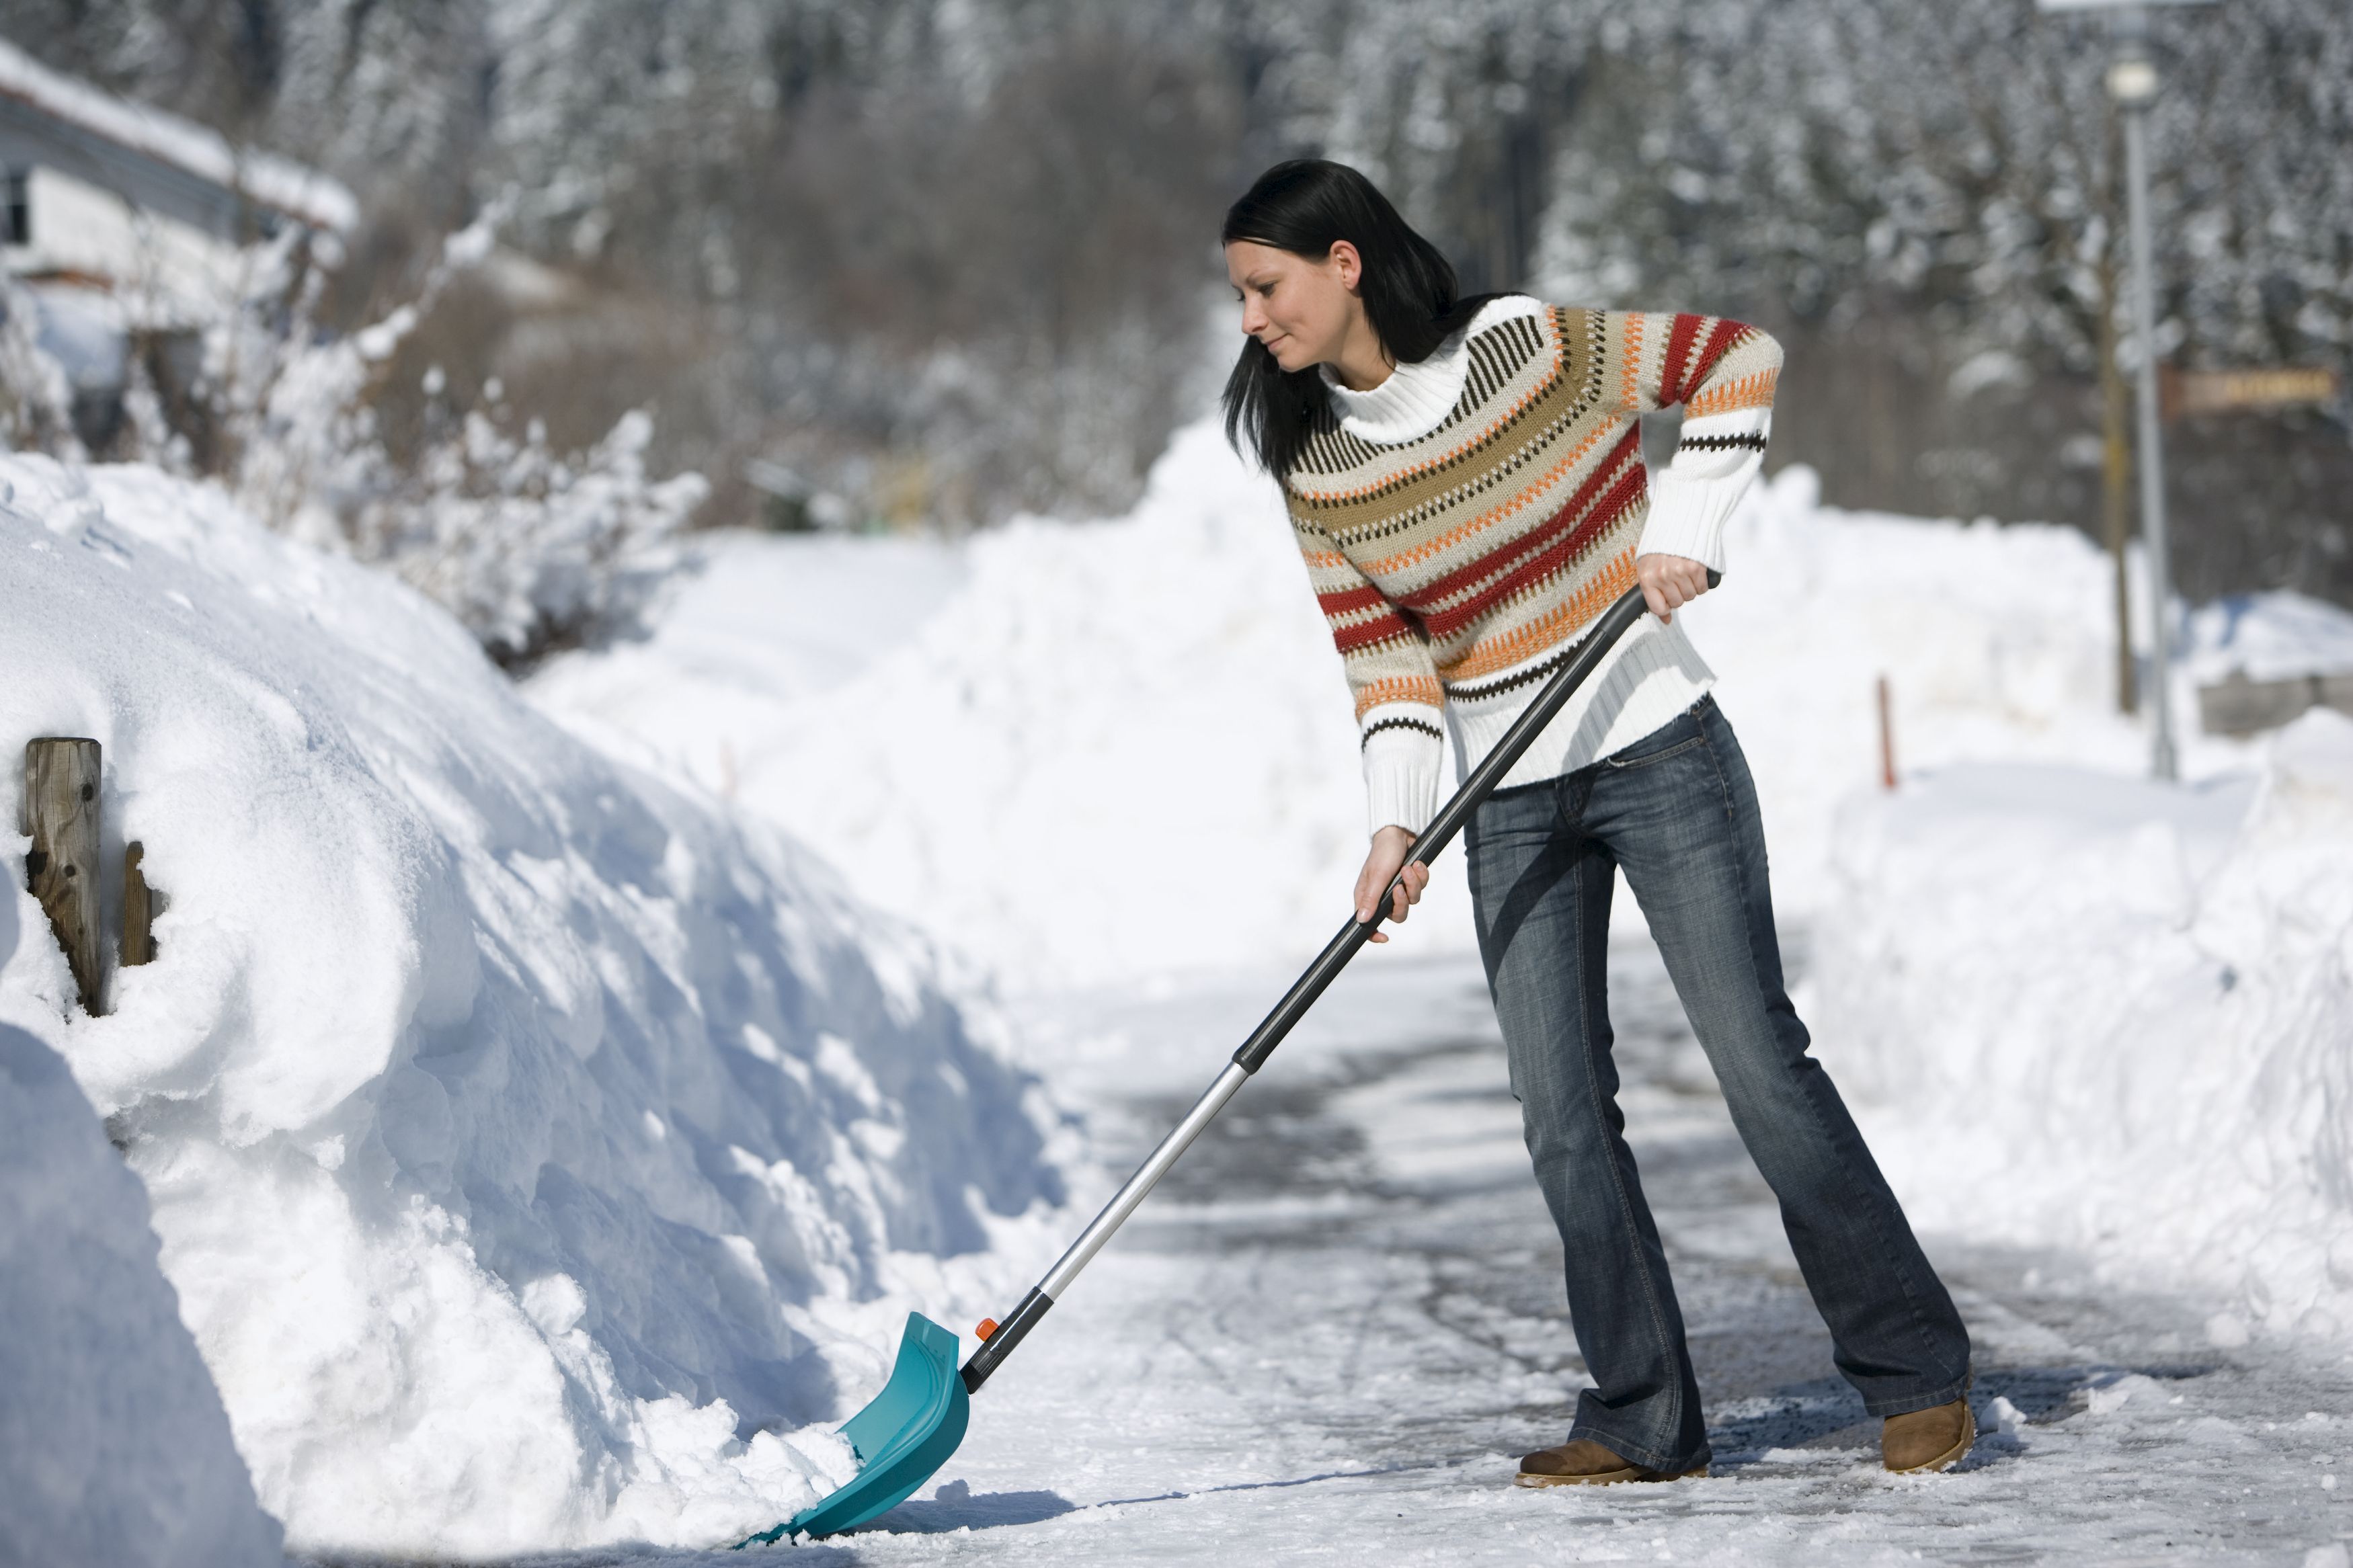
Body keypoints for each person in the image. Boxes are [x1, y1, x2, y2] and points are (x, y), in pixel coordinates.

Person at [1219, 159, 1975, 1485]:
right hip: (1505, 800)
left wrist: (1684, 527)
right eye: (1239, 296)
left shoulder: (1525, 350)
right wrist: (1395, 827)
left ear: (1344, 261)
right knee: (1559, 1111)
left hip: (1658, 746)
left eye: (1265, 286)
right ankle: (1642, 1412)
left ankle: (1914, 1371)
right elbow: (1386, 665)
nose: (1252, 319)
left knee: (1758, 1062)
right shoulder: (1314, 462)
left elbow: (1735, 358)